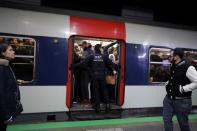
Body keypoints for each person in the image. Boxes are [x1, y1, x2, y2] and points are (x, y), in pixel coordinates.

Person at [163, 48, 197, 131]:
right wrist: (167, 83)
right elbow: (174, 78)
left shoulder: (188, 67)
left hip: (182, 101)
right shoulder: (173, 65)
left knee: (183, 124)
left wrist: (183, 89)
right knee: (166, 120)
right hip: (168, 99)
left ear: (177, 56)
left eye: (170, 55)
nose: (169, 57)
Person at [0, 43, 24, 131]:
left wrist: (15, 81)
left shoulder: (8, 66)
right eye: (10, 50)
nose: (14, 52)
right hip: (2, 112)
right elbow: (1, 93)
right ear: (3, 53)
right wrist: (5, 115)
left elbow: (5, 82)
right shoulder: (2, 68)